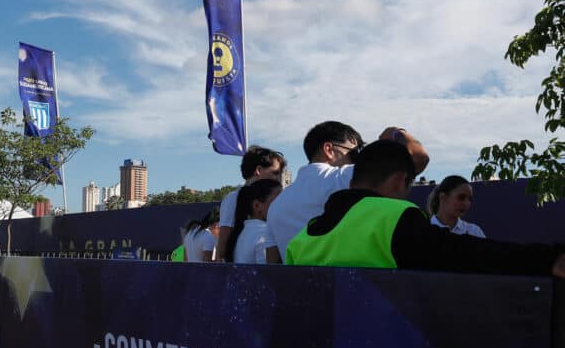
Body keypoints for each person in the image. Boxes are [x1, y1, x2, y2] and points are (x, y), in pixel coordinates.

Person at [285, 140, 565, 277]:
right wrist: (548, 260)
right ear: (400, 181)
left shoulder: (301, 239)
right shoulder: (393, 217)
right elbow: (468, 255)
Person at [265, 122, 430, 263]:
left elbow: (272, 264)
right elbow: (417, 158)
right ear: (329, 149)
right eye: (355, 152)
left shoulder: (275, 206)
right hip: (357, 291)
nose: (360, 160)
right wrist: (396, 132)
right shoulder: (342, 177)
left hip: (305, 295)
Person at [215, 146, 286, 261]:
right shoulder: (233, 199)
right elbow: (222, 249)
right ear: (258, 170)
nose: (278, 178)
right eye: (275, 173)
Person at [227, 179, 282, 264]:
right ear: (257, 205)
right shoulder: (264, 233)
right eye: (278, 201)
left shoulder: (243, 231)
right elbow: (266, 274)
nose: (283, 204)